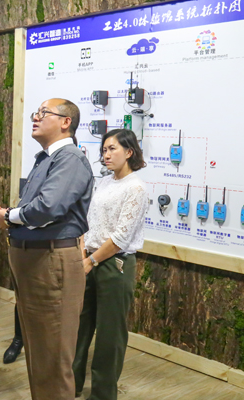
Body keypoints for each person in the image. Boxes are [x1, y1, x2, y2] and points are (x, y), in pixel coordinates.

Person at [0, 98, 93, 400]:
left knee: (53, 355)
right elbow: (35, 208)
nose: (35, 118)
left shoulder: (70, 158)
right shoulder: (46, 158)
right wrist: (13, 217)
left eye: (43, 113)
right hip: (35, 261)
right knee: (39, 350)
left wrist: (8, 216)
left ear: (65, 122)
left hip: (51, 261)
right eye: (35, 113)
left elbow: (48, 208)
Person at [72, 129, 149, 400]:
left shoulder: (136, 188)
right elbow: (88, 222)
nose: (106, 154)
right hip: (89, 260)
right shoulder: (104, 182)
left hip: (114, 264)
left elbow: (120, 237)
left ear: (129, 152)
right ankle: (70, 385)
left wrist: (91, 260)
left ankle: (103, 394)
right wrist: (83, 252)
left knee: (109, 334)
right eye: (104, 150)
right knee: (79, 327)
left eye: (112, 149)